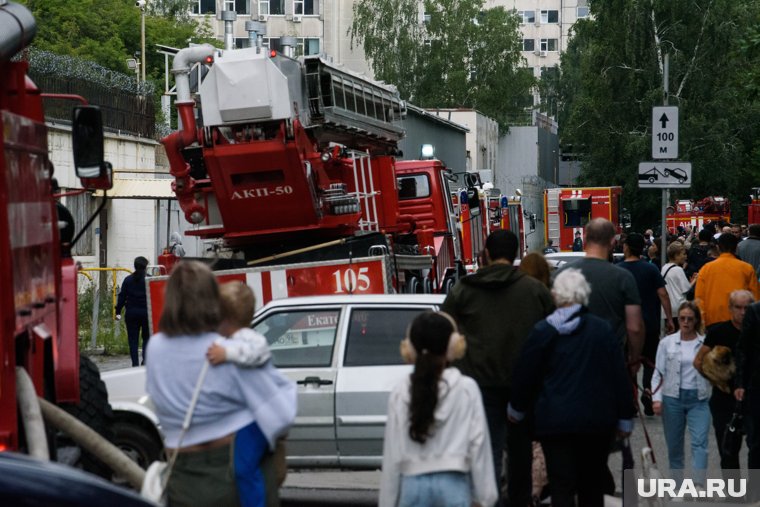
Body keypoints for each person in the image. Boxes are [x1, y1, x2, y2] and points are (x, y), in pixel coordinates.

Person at [145, 261, 297, 507]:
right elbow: (282, 410)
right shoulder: (228, 350)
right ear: (212, 299)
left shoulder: (155, 348)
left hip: (181, 473)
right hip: (232, 472)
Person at [442, 230, 554, 506]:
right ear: (516, 255)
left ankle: (488, 500)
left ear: (486, 255)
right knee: (520, 451)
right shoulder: (535, 291)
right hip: (524, 388)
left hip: (478, 386)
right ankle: (519, 500)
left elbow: (443, 331)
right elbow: (552, 336)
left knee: (486, 449)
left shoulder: (464, 290)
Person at [509, 269, 634, 507]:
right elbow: (618, 375)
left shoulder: (543, 331)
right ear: (584, 295)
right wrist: (624, 417)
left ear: (556, 295)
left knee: (561, 484)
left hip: (554, 421)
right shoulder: (601, 330)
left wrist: (517, 408)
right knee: (591, 484)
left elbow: (525, 374)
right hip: (595, 421)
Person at [379, 311, 497, 507]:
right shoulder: (466, 389)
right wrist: (486, 498)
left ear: (409, 350)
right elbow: (479, 445)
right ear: (454, 347)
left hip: (412, 486)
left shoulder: (400, 391)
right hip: (454, 484)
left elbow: (391, 454)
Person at [206, 281, 288, 507]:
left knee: (244, 469)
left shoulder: (249, 339)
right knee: (245, 469)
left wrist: (227, 353)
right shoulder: (231, 340)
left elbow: (254, 353)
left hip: (256, 419)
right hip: (254, 418)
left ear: (225, 317)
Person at [694, 290, 754, 475]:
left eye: (747, 308)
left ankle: (754, 494)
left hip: (753, 397)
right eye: (738, 307)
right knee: (728, 447)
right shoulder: (718, 331)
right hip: (724, 399)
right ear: (730, 308)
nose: (743, 312)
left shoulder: (756, 331)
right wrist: (717, 379)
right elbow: (698, 361)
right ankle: (733, 494)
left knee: (756, 447)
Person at [652, 301, 710, 488]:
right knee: (675, 447)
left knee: (700, 442)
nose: (685, 322)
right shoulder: (666, 343)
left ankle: (698, 484)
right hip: (672, 398)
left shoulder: (704, 344)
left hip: (699, 398)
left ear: (696, 321)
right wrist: (657, 399)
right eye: (682, 318)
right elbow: (658, 374)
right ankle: (677, 486)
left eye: (690, 319)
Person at [618, 233, 674, 416]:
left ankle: (631, 401)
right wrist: (670, 319)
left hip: (626, 326)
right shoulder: (650, 269)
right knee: (651, 362)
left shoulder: (618, 270)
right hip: (649, 324)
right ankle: (649, 391)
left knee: (629, 364)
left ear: (626, 247)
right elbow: (663, 294)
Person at [694, 232, 760, 328]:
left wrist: (702, 321)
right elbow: (755, 297)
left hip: (713, 321)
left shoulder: (706, 268)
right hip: (740, 322)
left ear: (717, 247)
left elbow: (699, 298)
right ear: (737, 247)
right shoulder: (747, 268)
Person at [115, 256, 150, 367]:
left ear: (134, 266)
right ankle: (145, 361)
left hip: (131, 314)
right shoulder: (149, 280)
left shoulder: (128, 280)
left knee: (133, 340)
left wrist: (118, 312)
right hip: (146, 314)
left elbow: (122, 297)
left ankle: (135, 364)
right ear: (146, 267)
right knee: (147, 338)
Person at [661, 242, 695, 332]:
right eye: (683, 254)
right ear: (676, 255)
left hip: (667, 309)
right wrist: (695, 280)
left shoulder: (664, 267)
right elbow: (686, 289)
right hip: (679, 307)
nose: (686, 257)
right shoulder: (678, 269)